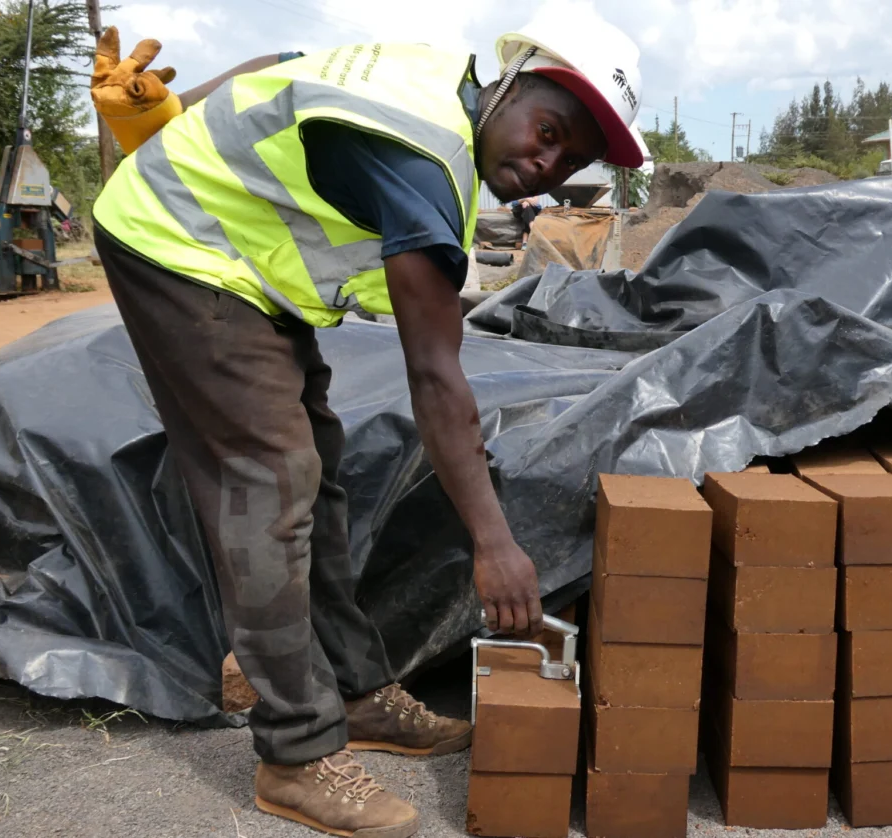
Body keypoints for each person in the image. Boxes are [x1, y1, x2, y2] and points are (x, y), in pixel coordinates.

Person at [88, 17, 645, 838]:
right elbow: (434, 378)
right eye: (549, 133)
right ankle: (295, 754)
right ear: (514, 80)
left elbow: (277, 63)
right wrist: (493, 544)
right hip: (174, 246)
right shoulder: (423, 162)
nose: (545, 166)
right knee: (270, 479)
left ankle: (354, 692)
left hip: (248, 274)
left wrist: (172, 112)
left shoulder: (426, 79)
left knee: (321, 470)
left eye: (569, 161)